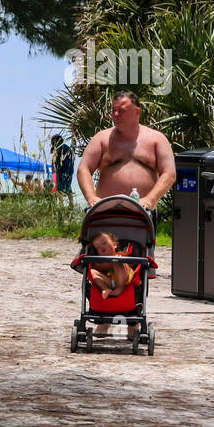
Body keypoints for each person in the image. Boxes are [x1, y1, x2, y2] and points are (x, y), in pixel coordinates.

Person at [77, 91, 177, 220]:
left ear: (137, 112)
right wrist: (91, 197)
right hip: (105, 212)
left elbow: (169, 174)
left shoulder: (157, 139)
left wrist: (150, 199)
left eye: (122, 110)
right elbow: (83, 169)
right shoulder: (102, 138)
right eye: (114, 110)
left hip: (143, 213)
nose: (116, 115)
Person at [88, 231, 141, 338]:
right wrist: (95, 264)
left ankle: (132, 327)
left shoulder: (121, 254)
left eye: (104, 243)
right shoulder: (101, 262)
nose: (101, 247)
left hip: (125, 282)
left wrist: (114, 261)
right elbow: (97, 268)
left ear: (114, 244)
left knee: (116, 259)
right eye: (98, 247)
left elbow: (130, 262)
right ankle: (105, 289)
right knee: (92, 272)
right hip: (110, 282)